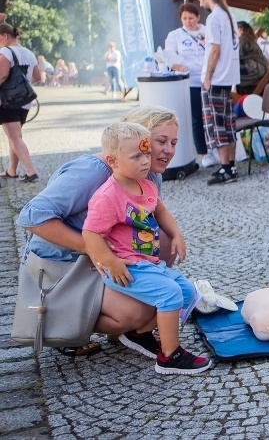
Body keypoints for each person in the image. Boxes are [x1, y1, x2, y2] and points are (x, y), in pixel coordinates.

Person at [16, 106, 180, 357]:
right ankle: (63, 322)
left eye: (174, 142)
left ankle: (124, 330)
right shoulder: (94, 170)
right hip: (64, 262)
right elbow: (31, 216)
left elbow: (151, 216)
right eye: (160, 141)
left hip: (103, 255)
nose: (168, 150)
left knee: (164, 244)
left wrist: (175, 235)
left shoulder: (148, 172)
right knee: (137, 312)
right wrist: (99, 252)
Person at [82, 122, 211, 374]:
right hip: (126, 267)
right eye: (137, 156)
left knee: (187, 293)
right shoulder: (108, 195)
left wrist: (176, 234)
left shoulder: (146, 185)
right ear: (113, 160)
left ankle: (140, 333)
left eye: (147, 154)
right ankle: (169, 356)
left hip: (149, 264)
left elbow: (160, 210)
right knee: (170, 294)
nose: (145, 161)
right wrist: (110, 262)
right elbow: (90, 233)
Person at [194, 0, 240, 186]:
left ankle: (226, 168)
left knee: (217, 125)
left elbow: (215, 50)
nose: (200, 4)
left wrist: (207, 76)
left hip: (216, 78)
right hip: (228, 77)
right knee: (228, 123)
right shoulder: (229, 14)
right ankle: (230, 166)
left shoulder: (213, 17)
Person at [164, 3, 213, 167]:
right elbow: (168, 57)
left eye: (191, 18)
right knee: (197, 118)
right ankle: (203, 153)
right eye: (184, 18)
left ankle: (216, 148)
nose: (188, 21)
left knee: (212, 116)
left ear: (198, 17)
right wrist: (176, 66)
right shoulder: (175, 35)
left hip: (210, 79)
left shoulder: (207, 31)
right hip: (190, 82)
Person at [0, 23, 41, 182]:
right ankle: (12, 170)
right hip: (24, 101)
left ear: (5, 36)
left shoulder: (5, 52)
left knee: (15, 137)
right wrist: (22, 86)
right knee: (15, 136)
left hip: (7, 101)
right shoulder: (29, 53)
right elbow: (37, 77)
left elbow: (2, 76)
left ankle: (31, 172)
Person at [235, 21, 269, 96]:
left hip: (254, 76)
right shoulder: (251, 39)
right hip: (262, 74)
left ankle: (240, 101)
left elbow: (237, 55)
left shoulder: (242, 39)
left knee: (234, 75)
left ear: (240, 29)